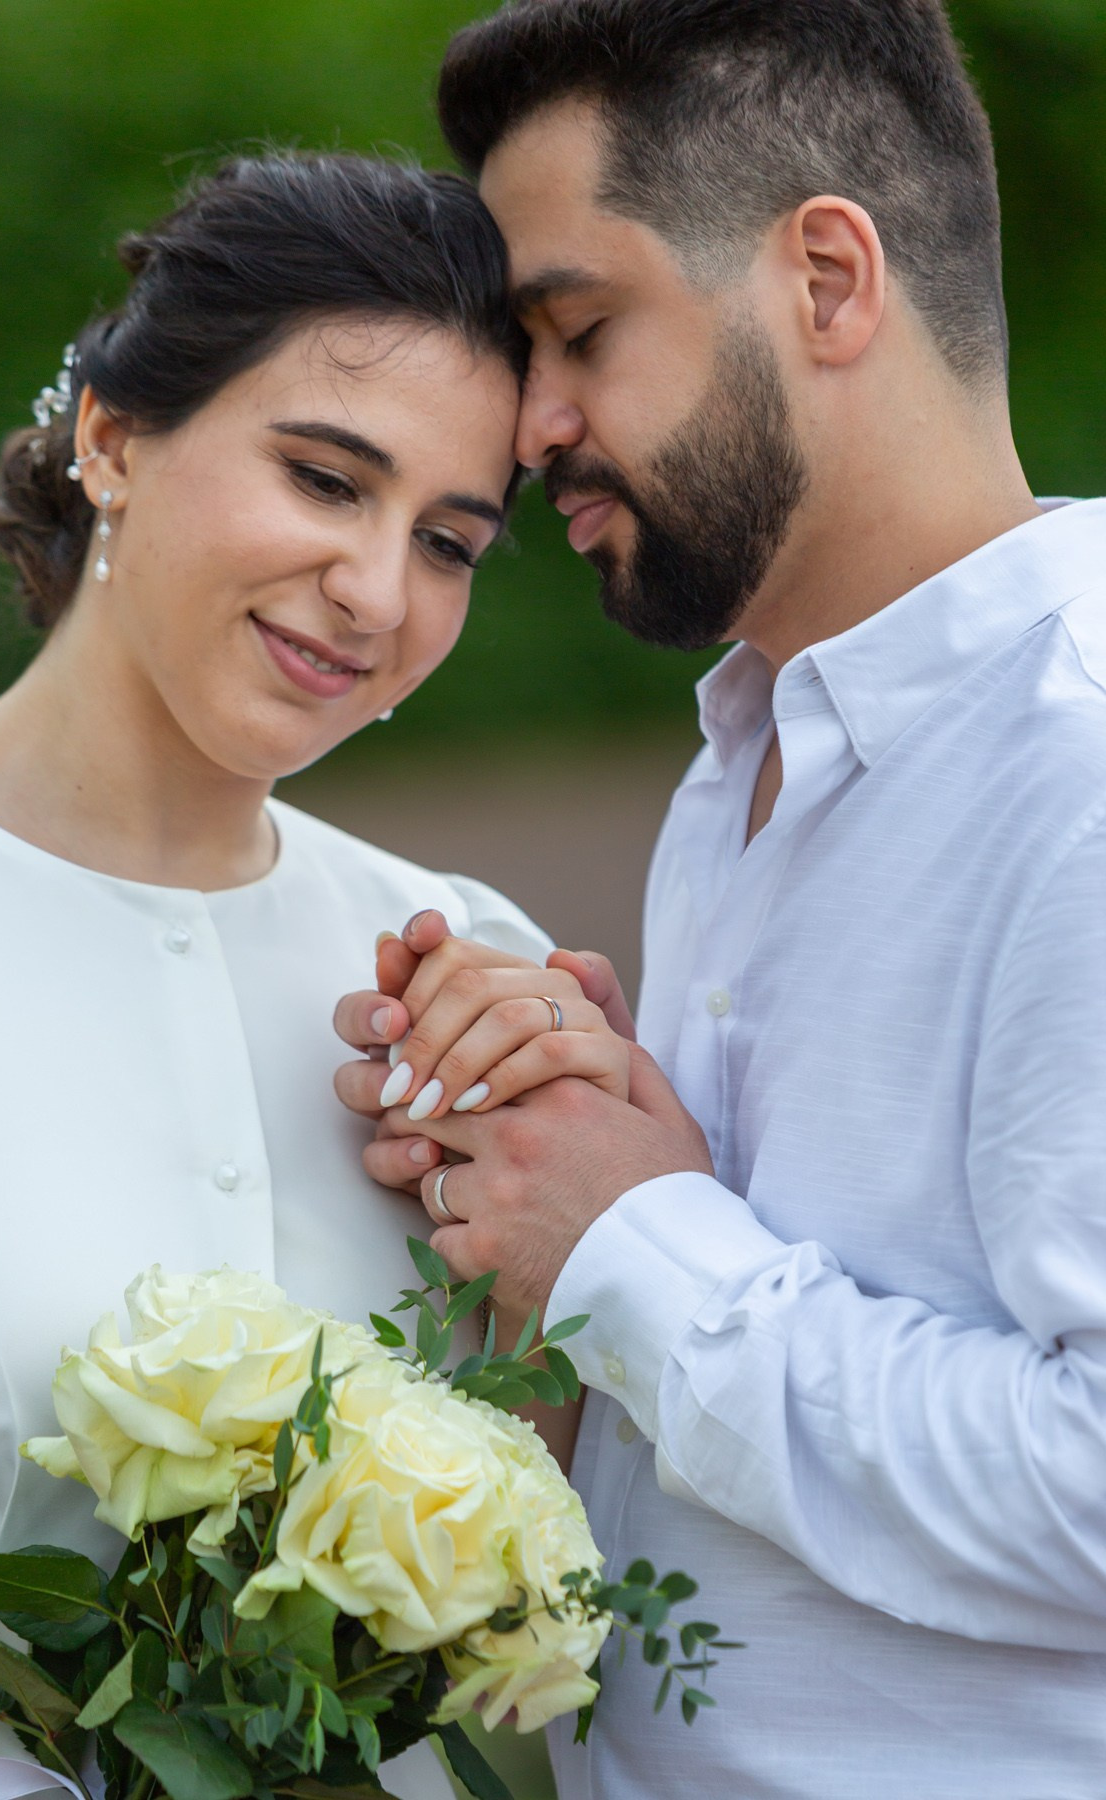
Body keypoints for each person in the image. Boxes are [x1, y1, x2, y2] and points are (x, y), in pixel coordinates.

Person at [333, 3, 1106, 1796]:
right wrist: (564, 1157)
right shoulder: (743, 752)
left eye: (580, 331)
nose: (529, 426)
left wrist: (635, 1243)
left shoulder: (1078, 760)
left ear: (827, 281)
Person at [0, 149, 627, 1799]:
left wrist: (585, 1216)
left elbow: (565, 1602)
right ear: (112, 440)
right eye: (322, 478)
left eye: (447, 541)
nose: (376, 592)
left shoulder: (473, 974)